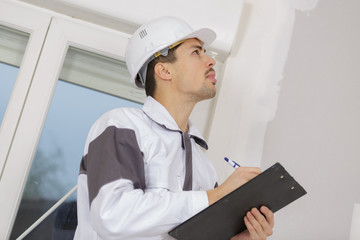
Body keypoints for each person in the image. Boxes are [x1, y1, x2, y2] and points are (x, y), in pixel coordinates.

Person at [74, 16, 274, 240]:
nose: (210, 61)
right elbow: (112, 215)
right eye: (196, 52)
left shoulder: (203, 164)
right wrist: (214, 197)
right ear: (164, 71)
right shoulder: (122, 126)